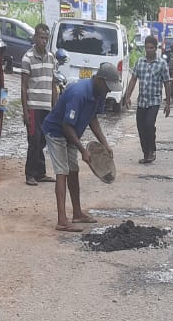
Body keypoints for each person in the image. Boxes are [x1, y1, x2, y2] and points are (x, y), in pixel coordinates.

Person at [42, 63, 120, 231]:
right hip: (56, 131)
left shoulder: (99, 93)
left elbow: (93, 119)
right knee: (62, 172)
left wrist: (105, 143)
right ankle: (62, 220)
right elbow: (66, 125)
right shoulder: (79, 93)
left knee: (74, 171)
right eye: (107, 87)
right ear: (99, 80)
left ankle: (77, 213)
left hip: (71, 134)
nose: (108, 91)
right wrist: (83, 150)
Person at [123, 35, 171, 164]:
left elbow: (167, 83)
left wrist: (168, 104)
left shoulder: (161, 64)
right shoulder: (140, 62)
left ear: (156, 48)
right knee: (141, 127)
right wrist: (127, 96)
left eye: (151, 48)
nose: (149, 50)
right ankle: (146, 153)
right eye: (147, 47)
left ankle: (152, 150)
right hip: (142, 101)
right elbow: (133, 80)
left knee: (149, 125)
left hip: (154, 101)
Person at [21, 23, 57, 186]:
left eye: (46, 38)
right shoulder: (27, 58)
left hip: (47, 106)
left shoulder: (51, 58)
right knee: (34, 140)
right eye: (41, 37)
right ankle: (30, 174)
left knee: (43, 139)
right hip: (33, 106)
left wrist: (55, 108)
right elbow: (23, 86)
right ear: (35, 37)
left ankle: (40, 172)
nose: (43, 41)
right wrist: (25, 111)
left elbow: (53, 83)